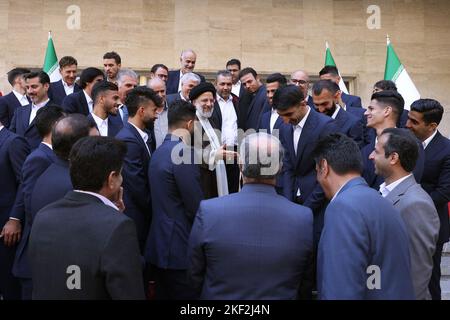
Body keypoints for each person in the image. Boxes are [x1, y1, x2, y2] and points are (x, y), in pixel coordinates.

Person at [188, 132, 313, 299]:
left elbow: (194, 275)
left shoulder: (209, 211)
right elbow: (306, 281)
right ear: (280, 168)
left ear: (240, 165)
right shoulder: (303, 218)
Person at [28, 136, 144, 299]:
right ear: (111, 179)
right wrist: (115, 219)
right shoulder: (118, 227)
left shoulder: (43, 216)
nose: (121, 180)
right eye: (120, 174)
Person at [313, 133, 414, 299]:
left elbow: (341, 287)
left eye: (316, 171)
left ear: (324, 167)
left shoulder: (343, 207)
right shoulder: (383, 202)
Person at [370, 128, 440, 299]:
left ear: (393, 158)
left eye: (377, 151)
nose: (371, 156)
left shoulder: (416, 204)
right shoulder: (385, 193)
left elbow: (416, 273)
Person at [146, 99, 203, 300]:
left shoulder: (159, 151)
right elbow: (195, 207)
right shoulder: (184, 152)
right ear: (189, 124)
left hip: (159, 244)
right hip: (179, 248)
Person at [8, 106, 64, 299]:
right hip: (39, 250)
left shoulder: (54, 156)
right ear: (56, 126)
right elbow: (31, 202)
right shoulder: (39, 158)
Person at [406, 98, 450, 300]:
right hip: (402, 222)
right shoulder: (405, 143)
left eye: (414, 122)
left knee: (429, 281)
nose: (407, 125)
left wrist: (411, 204)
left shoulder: (447, 150)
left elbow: (443, 193)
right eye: (408, 119)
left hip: (430, 226)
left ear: (432, 125)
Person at [116, 86, 162, 252]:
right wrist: (155, 209)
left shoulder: (144, 136)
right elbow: (136, 185)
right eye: (154, 110)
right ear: (142, 111)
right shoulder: (128, 140)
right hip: (136, 216)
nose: (156, 115)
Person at [362, 90, 424, 189]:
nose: (365, 113)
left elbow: (410, 183)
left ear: (387, 111)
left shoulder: (412, 143)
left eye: (371, 109)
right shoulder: (365, 149)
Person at [190, 82, 238, 199]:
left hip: (218, 173)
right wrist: (214, 155)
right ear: (194, 102)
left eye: (212, 101)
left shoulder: (212, 120)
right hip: (203, 178)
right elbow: (188, 153)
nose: (209, 104)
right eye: (204, 100)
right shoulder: (190, 123)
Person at [0, 121, 30, 300]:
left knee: (8, 284)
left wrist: (14, 218)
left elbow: (25, 182)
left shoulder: (14, 142)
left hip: (7, 230)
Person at [9, 71, 58, 150]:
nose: (29, 91)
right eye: (27, 87)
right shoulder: (19, 111)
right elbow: (11, 136)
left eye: (34, 87)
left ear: (46, 86)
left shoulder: (58, 112)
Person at [210, 70, 240, 193]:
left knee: (232, 188)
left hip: (234, 153)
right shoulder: (210, 102)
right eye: (222, 84)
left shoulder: (237, 101)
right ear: (216, 84)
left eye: (229, 84)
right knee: (217, 188)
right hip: (217, 152)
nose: (226, 87)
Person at [312, 80, 364, 148]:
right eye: (316, 104)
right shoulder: (311, 120)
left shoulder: (353, 123)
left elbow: (353, 155)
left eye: (324, 104)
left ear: (337, 97)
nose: (320, 109)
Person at [148, 77, 168, 148]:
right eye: (156, 92)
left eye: (162, 91)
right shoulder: (145, 113)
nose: (160, 95)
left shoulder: (173, 109)